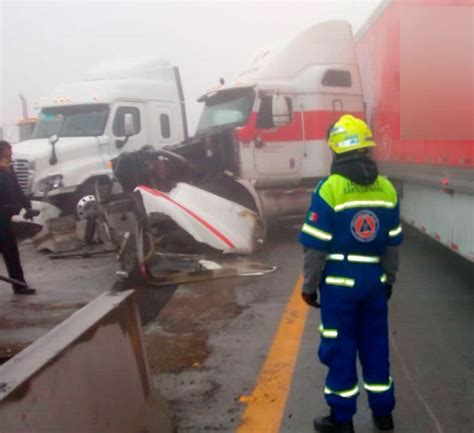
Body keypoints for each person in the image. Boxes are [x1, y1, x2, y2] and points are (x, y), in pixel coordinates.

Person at [299, 115, 402, 433]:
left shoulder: (329, 189)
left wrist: (309, 285)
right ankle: (383, 415)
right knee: (375, 346)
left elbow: (316, 246)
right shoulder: (386, 188)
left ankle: (342, 420)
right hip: (373, 282)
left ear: (336, 149)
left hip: (339, 285)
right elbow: (392, 245)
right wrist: (387, 280)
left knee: (340, 349)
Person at [0, 140, 36, 295]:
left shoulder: (9, 167)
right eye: (9, 150)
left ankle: (20, 285)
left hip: (8, 216)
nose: (12, 153)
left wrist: (27, 206)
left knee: (11, 252)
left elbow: (17, 189)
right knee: (8, 249)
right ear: (2, 151)